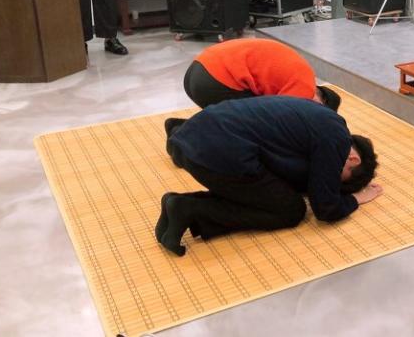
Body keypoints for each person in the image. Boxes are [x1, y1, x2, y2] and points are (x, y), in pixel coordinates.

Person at [157, 96, 383, 256]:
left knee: (272, 194)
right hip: (218, 151)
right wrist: (355, 199)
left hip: (195, 138)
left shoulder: (322, 120)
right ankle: (191, 210)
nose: (330, 176)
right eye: (338, 176)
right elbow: (325, 208)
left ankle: (179, 206)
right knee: (290, 210)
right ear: (354, 159)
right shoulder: (336, 138)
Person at [184, 38, 341, 110]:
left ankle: (181, 130)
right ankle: (182, 142)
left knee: (227, 123)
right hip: (216, 80)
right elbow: (281, 121)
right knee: (253, 129)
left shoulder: (300, 74)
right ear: (321, 102)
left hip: (199, 68)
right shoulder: (305, 89)